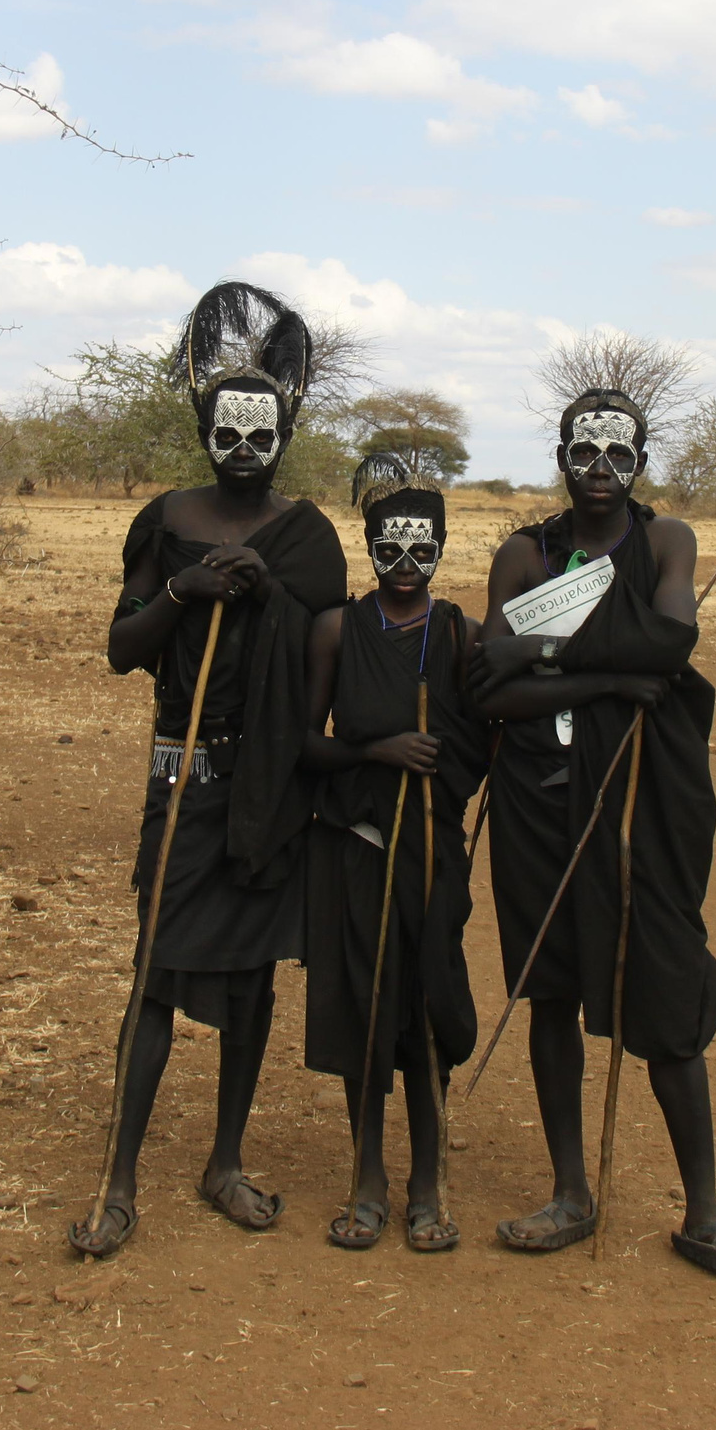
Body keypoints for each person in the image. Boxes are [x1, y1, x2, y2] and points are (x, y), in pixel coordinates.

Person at [471, 387, 716, 1281]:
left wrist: (546, 653)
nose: (600, 472)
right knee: (549, 991)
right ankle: (571, 1191)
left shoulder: (665, 542)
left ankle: (705, 1215)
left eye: (619, 456)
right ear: (560, 456)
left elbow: (672, 643)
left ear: (640, 463)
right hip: (538, 800)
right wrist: (605, 680)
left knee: (667, 991)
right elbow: (491, 686)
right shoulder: (524, 555)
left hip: (640, 803)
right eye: (584, 453)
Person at [70, 283, 347, 1260]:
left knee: (251, 987)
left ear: (285, 428)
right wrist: (184, 591)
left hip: (264, 787)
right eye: (226, 432)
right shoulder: (168, 521)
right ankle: (118, 1179)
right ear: (202, 427)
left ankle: (224, 1160)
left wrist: (266, 595)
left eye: (259, 433)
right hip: (178, 782)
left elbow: (323, 663)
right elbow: (121, 649)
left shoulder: (306, 538)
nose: (243, 448)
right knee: (152, 978)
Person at [300, 459, 485, 1252]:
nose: (405, 568)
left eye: (421, 552)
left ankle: (428, 1179)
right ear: (368, 547)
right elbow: (308, 743)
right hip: (358, 843)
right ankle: (368, 1174)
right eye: (389, 551)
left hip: (432, 847)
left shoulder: (456, 633)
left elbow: (478, 741)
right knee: (364, 1006)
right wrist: (378, 750)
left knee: (427, 999)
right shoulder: (338, 629)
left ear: (442, 550)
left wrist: (440, 768)